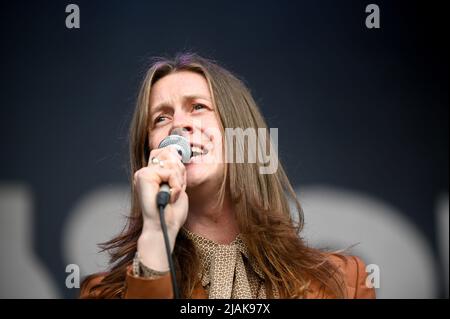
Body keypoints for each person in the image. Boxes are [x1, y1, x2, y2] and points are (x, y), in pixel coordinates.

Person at [80, 52, 376, 299]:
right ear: (148, 155)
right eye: (161, 118)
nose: (178, 126)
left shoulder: (342, 282)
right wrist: (156, 239)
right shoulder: (103, 293)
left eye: (198, 107)